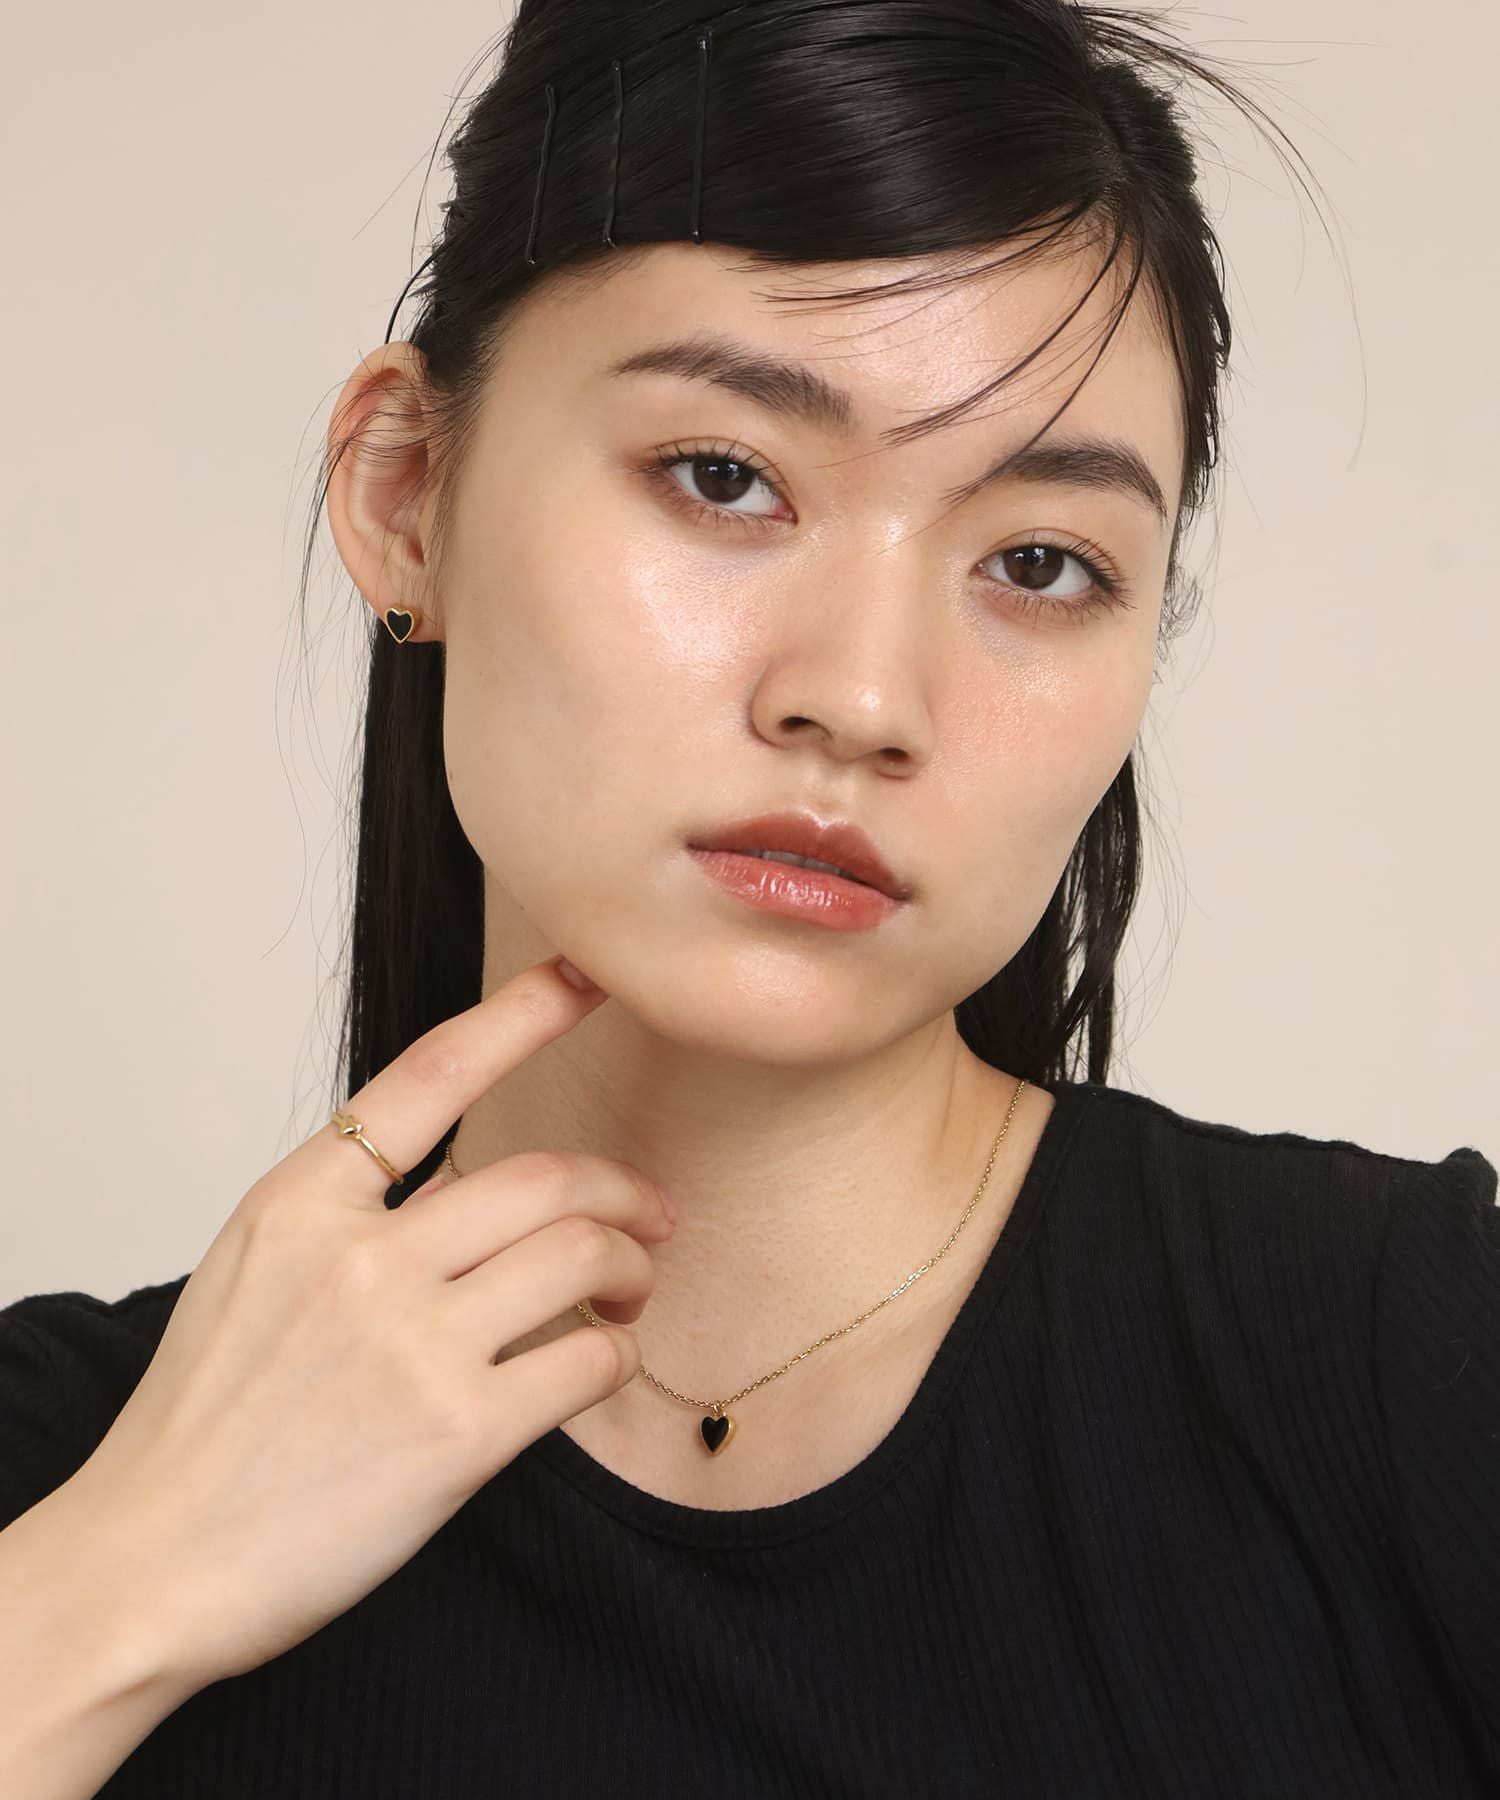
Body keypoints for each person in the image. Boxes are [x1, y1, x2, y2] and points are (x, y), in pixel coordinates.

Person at [2, 0, 1496, 1793]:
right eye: (725, 478)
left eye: (1040, 562)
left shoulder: (1419, 1368)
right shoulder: (63, 1480)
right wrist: (118, 1588)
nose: (860, 696)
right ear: (407, 494)